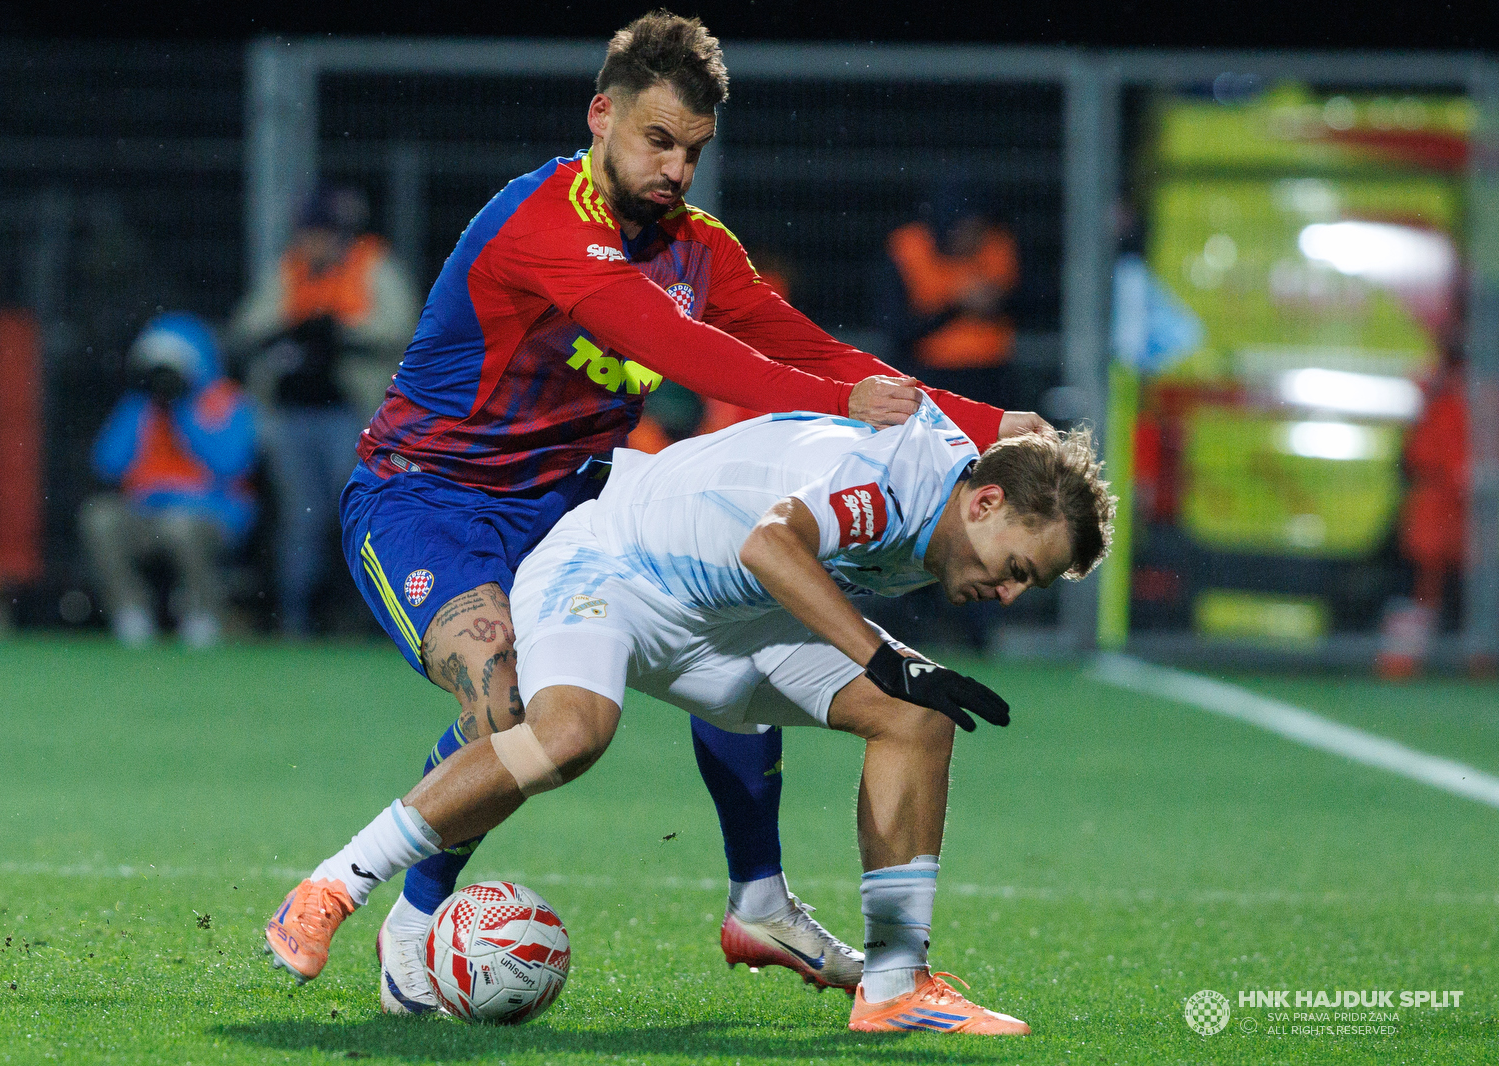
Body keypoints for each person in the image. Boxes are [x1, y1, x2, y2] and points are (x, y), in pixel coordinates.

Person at [264, 10, 1052, 1008]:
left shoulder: (696, 247)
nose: (676, 169)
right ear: (601, 114)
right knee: (504, 703)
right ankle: (405, 918)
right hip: (430, 496)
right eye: (657, 139)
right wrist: (834, 400)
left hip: (575, 493)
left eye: (693, 150)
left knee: (720, 573)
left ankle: (758, 896)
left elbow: (808, 346)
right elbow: (685, 352)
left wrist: (990, 419)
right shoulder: (541, 223)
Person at [281, 398, 1113, 1033]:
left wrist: (894, 674)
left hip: (728, 623)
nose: (1006, 593)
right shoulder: (897, 485)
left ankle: (896, 984)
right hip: (614, 569)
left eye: (1027, 587)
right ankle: (331, 888)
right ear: (985, 501)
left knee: (916, 718)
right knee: (569, 735)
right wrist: (882, 656)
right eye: (1015, 569)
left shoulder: (958, 501)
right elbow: (769, 547)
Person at [228, 187, 419, 636]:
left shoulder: (372, 265)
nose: (316, 242)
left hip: (356, 415)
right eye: (310, 233)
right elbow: (247, 327)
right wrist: (293, 329)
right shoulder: (290, 270)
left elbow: (402, 327)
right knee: (302, 519)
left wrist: (339, 331)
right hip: (292, 414)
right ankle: (299, 620)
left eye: (325, 233)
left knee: (360, 512)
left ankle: (370, 620)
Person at [81, 313, 258, 648]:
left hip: (210, 513)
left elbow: (232, 463)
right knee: (100, 518)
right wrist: (142, 405)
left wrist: (183, 408)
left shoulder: (224, 401)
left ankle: (202, 614)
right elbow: (107, 462)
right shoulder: (142, 405)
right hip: (146, 512)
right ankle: (131, 613)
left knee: (182, 526)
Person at [878, 183, 1020, 410]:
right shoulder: (909, 247)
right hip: (926, 379)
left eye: (977, 229)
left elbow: (1028, 304)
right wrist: (958, 303)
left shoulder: (997, 244)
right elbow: (897, 328)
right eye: (964, 229)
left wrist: (995, 303)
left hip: (991, 378)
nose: (971, 238)